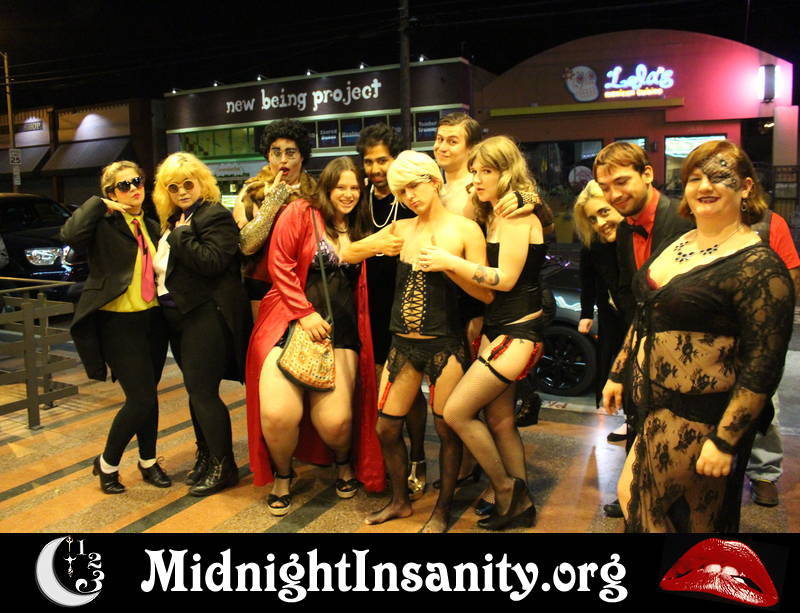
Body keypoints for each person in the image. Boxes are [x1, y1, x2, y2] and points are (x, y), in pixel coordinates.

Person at [602, 140, 794, 532]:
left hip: (702, 415)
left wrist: (725, 440)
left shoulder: (759, 265)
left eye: (719, 177)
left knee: (668, 515)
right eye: (694, 178)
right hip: (652, 405)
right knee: (645, 506)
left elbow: (763, 365)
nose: (704, 186)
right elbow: (646, 313)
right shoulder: (680, 241)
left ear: (745, 187)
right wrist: (619, 371)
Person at [344, 150, 492, 532]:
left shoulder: (465, 229)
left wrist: (450, 265)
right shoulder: (402, 228)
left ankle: (442, 510)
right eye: (401, 191)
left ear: (435, 181)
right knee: (386, 428)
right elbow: (347, 252)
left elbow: (486, 295)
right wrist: (377, 246)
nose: (409, 196)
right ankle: (400, 501)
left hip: (445, 343)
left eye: (414, 186)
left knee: (447, 430)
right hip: (402, 345)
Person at [419, 136, 546, 530]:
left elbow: (505, 280)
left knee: (457, 411)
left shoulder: (516, 215)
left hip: (520, 329)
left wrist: (449, 262)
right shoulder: (497, 211)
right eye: (474, 171)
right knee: (501, 420)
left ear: (506, 172)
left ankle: (507, 489)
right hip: (501, 326)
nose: (476, 179)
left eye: (485, 171)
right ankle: (520, 503)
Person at [245, 156, 384, 516]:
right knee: (277, 415)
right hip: (288, 320)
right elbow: (279, 263)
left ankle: (343, 462)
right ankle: (282, 475)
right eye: (340, 187)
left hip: (342, 328)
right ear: (327, 187)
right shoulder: (301, 212)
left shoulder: (363, 223)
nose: (348, 194)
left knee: (336, 422)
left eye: (354, 187)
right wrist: (304, 313)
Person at [593, 141, 692, 518]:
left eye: (621, 182)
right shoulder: (623, 230)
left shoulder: (683, 220)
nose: (613, 194)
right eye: (605, 187)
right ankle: (634, 494)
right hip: (642, 345)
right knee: (636, 420)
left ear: (647, 174)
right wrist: (623, 366)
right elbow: (630, 293)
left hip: (685, 357)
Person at [62, 161, 170, 494]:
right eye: (124, 185)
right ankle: (107, 463)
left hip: (153, 320)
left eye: (138, 181)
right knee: (140, 398)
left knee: (149, 397)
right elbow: (69, 234)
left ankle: (148, 462)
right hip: (118, 322)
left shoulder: (151, 226)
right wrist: (99, 205)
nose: (134, 188)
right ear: (111, 192)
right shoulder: (103, 225)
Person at [152, 152, 251, 497]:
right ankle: (207, 457)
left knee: (204, 393)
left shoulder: (214, 215)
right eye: (173, 186)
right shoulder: (176, 219)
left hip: (206, 315)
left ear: (201, 183)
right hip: (179, 316)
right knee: (195, 392)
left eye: (188, 184)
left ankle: (225, 466)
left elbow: (211, 262)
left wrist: (181, 236)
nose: (181, 191)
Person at [354, 123, 429, 499]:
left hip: (408, 305)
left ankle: (418, 456)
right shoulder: (359, 198)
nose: (374, 169)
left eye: (382, 160)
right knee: (379, 387)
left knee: (410, 389)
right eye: (368, 162)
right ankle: (385, 459)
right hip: (369, 306)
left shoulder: (412, 198)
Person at [233, 119, 317, 318]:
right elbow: (246, 245)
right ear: (268, 155)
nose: (283, 160)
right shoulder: (252, 191)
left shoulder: (316, 193)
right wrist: (273, 202)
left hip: (306, 281)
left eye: (290, 152)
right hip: (262, 284)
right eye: (276, 152)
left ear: (302, 156)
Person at [745, 209, 800, 506]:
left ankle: (764, 473)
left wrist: (774, 327)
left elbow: (791, 275)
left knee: (764, 402)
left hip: (759, 330)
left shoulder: (769, 223)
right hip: (714, 329)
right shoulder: (699, 220)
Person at [573, 180, 627, 409]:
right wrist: (586, 313)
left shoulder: (635, 239)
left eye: (604, 212)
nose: (600, 223)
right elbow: (587, 279)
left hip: (637, 318)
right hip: (610, 313)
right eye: (592, 219)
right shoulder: (593, 244)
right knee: (610, 363)